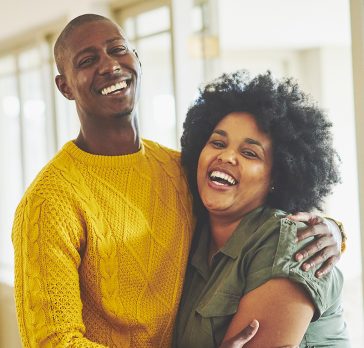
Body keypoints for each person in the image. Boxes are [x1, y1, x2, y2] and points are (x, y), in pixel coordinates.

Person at [11, 14, 344, 347]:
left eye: (118, 49)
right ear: (65, 86)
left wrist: (331, 229)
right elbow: (53, 342)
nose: (109, 65)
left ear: (137, 60)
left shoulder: (176, 170)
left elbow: (258, 208)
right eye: (87, 60)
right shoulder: (48, 203)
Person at [174, 70, 350, 347]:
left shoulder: (293, 243)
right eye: (218, 143)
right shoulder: (193, 239)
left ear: (277, 177)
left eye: (250, 153)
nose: (227, 156)